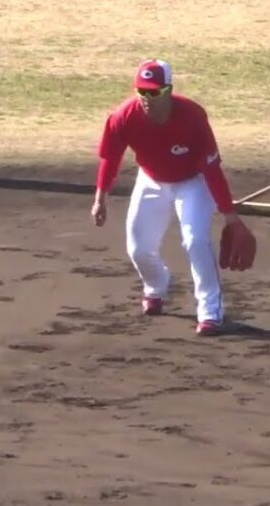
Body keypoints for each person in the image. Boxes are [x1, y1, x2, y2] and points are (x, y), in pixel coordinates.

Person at [91, 59, 256, 337]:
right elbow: (110, 158)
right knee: (139, 249)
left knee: (195, 241)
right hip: (151, 180)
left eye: (154, 92)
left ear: (168, 90)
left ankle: (210, 312)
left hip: (193, 183)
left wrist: (230, 216)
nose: (147, 98)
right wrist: (100, 198)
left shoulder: (192, 117)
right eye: (142, 91)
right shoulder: (123, 116)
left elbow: (212, 169)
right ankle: (156, 286)